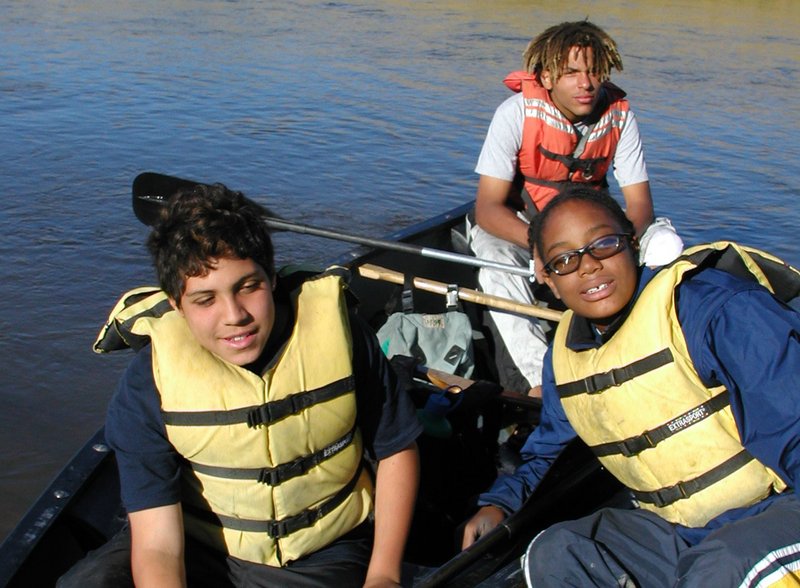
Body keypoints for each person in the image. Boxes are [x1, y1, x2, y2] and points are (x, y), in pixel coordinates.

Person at [59, 183, 422, 587]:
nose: (234, 316)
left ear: (272, 278)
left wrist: (384, 574)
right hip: (196, 546)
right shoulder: (148, 383)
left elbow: (396, 449)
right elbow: (158, 545)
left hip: (319, 555)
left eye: (248, 287)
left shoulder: (342, 335)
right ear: (177, 305)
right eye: (205, 300)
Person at [462, 186, 800, 586]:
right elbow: (547, 451)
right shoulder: (565, 358)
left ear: (633, 243)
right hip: (680, 532)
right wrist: (499, 505)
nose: (588, 266)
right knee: (557, 552)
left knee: (721, 565)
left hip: (776, 511)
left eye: (603, 244)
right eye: (565, 260)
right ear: (548, 279)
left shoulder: (709, 309)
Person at [469, 20, 683, 395]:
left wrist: (615, 245)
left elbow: (639, 206)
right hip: (522, 225)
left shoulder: (620, 117)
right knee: (494, 261)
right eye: (571, 73)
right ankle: (539, 383)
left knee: (666, 245)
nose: (586, 84)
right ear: (547, 77)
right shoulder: (515, 113)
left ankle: (657, 352)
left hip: (592, 229)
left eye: (594, 72)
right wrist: (541, 246)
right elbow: (487, 208)